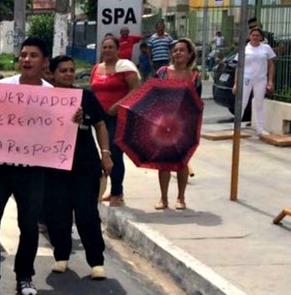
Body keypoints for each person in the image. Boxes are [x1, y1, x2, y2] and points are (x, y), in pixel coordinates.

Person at [0, 36, 53, 295]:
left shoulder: (53, 96)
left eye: (33, 56)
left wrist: (73, 119)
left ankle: (24, 277)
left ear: (45, 62)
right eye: (23, 55)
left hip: (32, 171)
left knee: (28, 226)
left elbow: (60, 130)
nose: (26, 60)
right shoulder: (0, 89)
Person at [45, 55, 111, 279]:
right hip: (55, 167)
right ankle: (61, 256)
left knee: (87, 213)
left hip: (85, 165)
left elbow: (100, 126)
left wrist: (106, 154)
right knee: (57, 213)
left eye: (71, 70)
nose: (68, 74)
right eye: (63, 70)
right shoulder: (44, 99)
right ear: (51, 74)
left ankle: (96, 261)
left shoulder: (87, 97)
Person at [91, 34, 141, 207]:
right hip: (99, 118)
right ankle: (110, 189)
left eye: (111, 47)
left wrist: (117, 106)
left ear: (118, 49)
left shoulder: (125, 66)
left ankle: (117, 192)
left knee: (114, 153)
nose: (107, 50)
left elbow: (135, 90)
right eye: (104, 47)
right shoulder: (97, 68)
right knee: (102, 152)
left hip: (118, 117)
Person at [153, 39, 203, 211]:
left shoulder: (194, 76)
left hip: (184, 125)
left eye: (182, 50)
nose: (178, 53)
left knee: (183, 162)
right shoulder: (162, 72)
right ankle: (163, 198)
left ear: (190, 54)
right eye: (175, 50)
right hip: (163, 123)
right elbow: (152, 95)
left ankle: (181, 197)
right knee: (163, 162)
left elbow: (197, 104)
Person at [241, 28, 276, 136]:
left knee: (259, 104)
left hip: (261, 79)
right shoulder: (245, 49)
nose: (255, 37)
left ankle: (260, 129)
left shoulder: (266, 48)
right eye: (253, 35)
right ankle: (237, 127)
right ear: (250, 36)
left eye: (257, 35)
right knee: (242, 102)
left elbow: (271, 65)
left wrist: (270, 81)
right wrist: (236, 83)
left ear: (261, 37)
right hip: (247, 78)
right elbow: (239, 67)